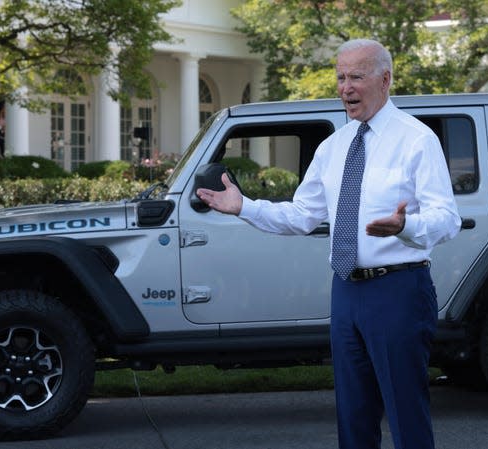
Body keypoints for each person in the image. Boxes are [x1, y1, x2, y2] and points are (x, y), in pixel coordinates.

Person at [197, 38, 460, 449]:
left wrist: (405, 227)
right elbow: (302, 215)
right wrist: (244, 206)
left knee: (405, 412)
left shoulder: (416, 140)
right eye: (340, 77)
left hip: (398, 291)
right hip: (346, 293)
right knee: (352, 416)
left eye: (356, 76)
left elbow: (448, 219)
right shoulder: (334, 147)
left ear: (385, 79)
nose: (345, 87)